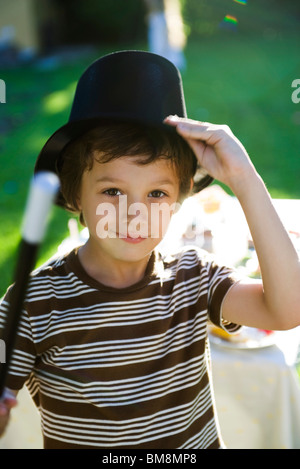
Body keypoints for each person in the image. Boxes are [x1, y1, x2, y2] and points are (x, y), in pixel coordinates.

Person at [0, 50, 300, 449]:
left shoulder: (195, 276)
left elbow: (288, 308)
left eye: (157, 193)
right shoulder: (35, 304)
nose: (134, 213)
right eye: (112, 191)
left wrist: (244, 178)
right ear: (75, 195)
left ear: (181, 198)